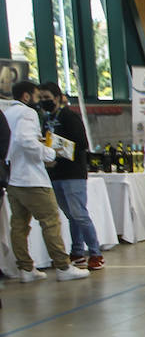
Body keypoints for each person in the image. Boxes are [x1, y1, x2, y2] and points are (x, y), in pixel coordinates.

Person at [1, 80, 89, 282]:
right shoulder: (27, 113)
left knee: (19, 225)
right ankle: (63, 266)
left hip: (13, 178)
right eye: (37, 96)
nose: (39, 101)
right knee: (51, 222)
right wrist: (48, 153)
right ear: (26, 96)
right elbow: (26, 141)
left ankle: (25, 268)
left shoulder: (7, 114)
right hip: (33, 180)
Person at [37, 82, 102, 271]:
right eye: (41, 98)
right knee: (70, 215)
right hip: (55, 173)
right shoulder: (45, 119)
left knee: (80, 214)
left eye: (47, 98)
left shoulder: (69, 116)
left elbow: (81, 143)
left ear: (57, 98)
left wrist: (56, 148)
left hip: (73, 173)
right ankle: (77, 251)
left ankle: (95, 252)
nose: (43, 102)